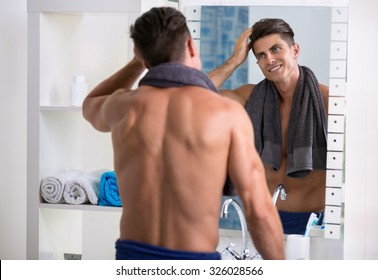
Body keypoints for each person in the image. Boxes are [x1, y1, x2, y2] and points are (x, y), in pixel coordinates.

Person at [82, 7, 284, 260]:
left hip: (132, 257)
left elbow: (91, 104)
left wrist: (138, 61)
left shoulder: (124, 106)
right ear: (190, 46)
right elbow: (260, 211)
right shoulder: (225, 114)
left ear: (143, 58)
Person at [208, 18, 328, 235]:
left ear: (295, 50)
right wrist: (235, 60)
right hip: (266, 217)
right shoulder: (250, 98)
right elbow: (198, 97)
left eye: (276, 49)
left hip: (312, 222)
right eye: (261, 55)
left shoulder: (326, 100)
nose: (270, 59)